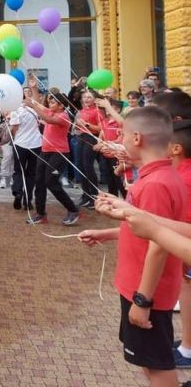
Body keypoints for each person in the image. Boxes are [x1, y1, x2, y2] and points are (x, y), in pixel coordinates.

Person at [80, 107, 187, 387]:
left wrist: (142, 300)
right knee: (148, 361)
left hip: (146, 291)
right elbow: (146, 228)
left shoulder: (155, 184)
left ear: (137, 138)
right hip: (142, 287)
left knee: (156, 366)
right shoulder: (157, 176)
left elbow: (158, 243)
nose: (121, 140)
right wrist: (107, 233)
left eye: (123, 135)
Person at [26, 93, 80, 225]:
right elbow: (39, 105)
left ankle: (73, 210)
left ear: (61, 105)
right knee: (39, 182)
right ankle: (40, 214)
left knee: (51, 182)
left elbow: (48, 119)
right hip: (45, 152)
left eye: (53, 102)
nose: (50, 104)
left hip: (59, 153)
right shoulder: (51, 111)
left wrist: (32, 106)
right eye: (49, 102)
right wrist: (34, 89)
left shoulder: (64, 116)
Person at [9, 96, 43, 211]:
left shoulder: (15, 110)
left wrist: (14, 137)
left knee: (19, 171)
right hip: (36, 144)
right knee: (31, 173)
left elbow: (14, 128)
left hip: (20, 143)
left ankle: (18, 192)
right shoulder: (34, 109)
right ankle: (28, 200)